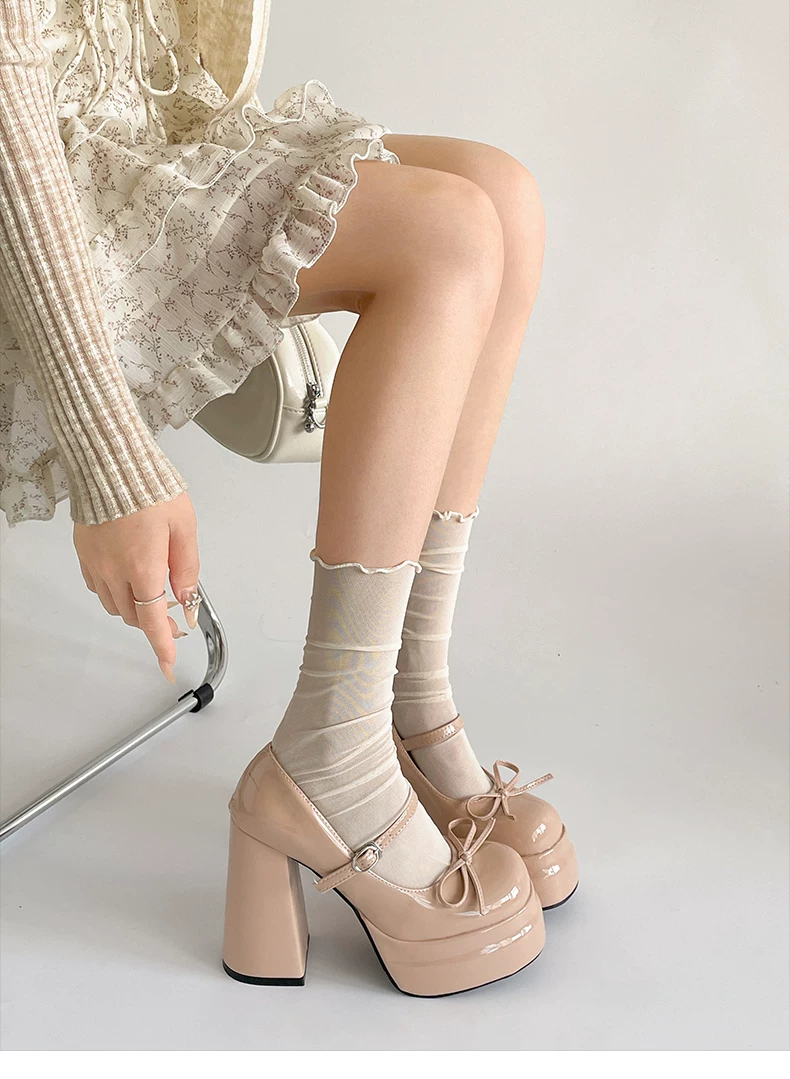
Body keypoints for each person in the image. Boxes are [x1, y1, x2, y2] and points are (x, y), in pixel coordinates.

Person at [0, 0, 577, 995]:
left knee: (501, 197)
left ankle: (402, 709)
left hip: (132, 131)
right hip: (31, 198)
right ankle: (333, 754)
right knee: (442, 236)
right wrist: (112, 460)